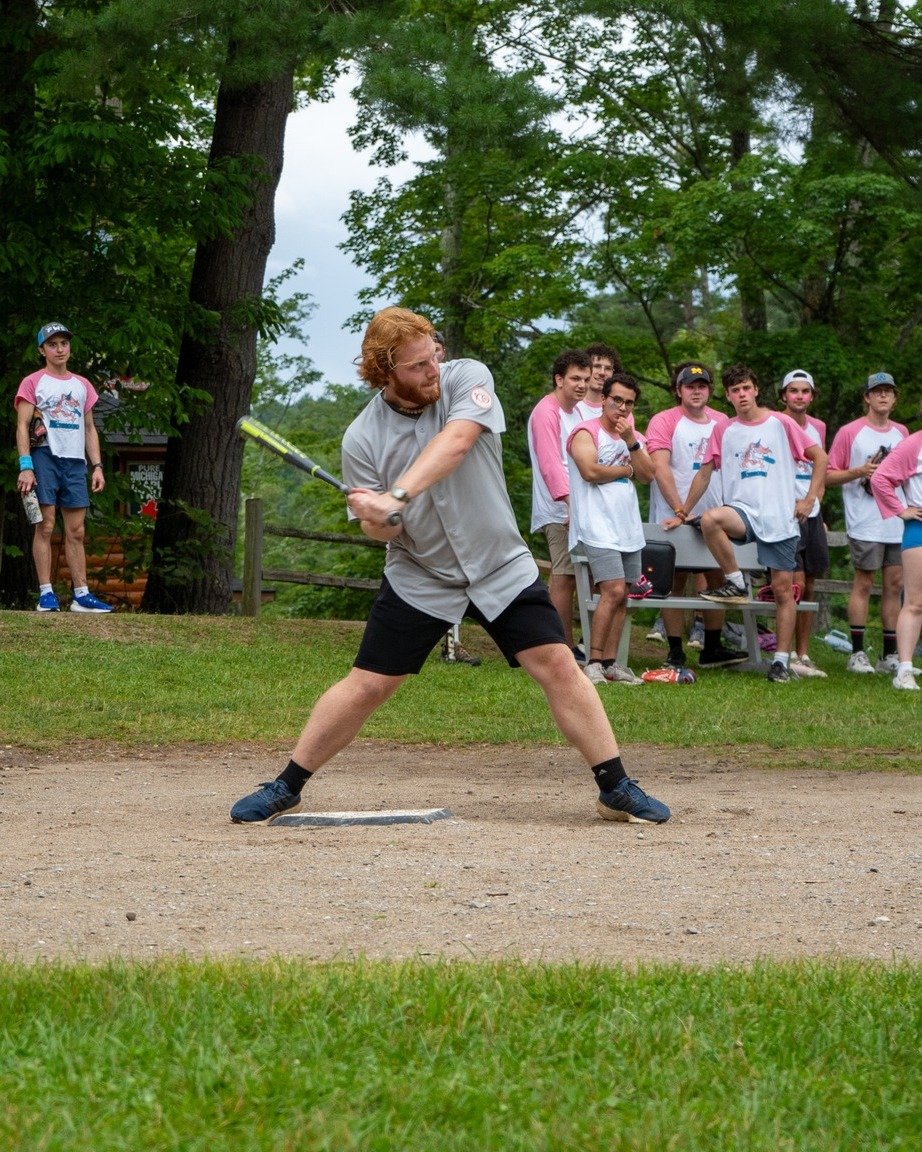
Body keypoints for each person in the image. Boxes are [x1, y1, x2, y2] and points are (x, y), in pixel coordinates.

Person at [231, 307, 669, 825]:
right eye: (417, 366)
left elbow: (457, 443)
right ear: (385, 371)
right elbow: (385, 531)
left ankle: (615, 786)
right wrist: (377, 517)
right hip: (422, 573)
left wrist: (395, 494)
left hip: (499, 563)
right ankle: (287, 785)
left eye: (432, 356)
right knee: (369, 683)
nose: (432, 371)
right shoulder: (362, 438)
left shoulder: (467, 378)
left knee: (557, 664)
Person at [672, 365, 826, 682]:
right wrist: (683, 510)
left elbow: (820, 458)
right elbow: (704, 472)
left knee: (783, 591)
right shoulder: (723, 429)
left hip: (779, 517)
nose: (741, 395)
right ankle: (736, 582)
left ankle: (780, 662)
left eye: (746, 388)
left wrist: (809, 498)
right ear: (728, 396)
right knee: (711, 518)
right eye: (735, 390)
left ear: (755, 390)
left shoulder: (781, 423)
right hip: (743, 511)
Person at [644, 362, 745, 671]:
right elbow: (660, 468)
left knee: (717, 577)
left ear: (710, 390)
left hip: (714, 516)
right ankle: (675, 649)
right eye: (690, 386)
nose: (696, 391)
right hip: (672, 515)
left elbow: (732, 466)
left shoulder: (723, 421)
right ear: (679, 390)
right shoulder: (664, 420)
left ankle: (712, 647)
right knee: (672, 581)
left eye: (702, 386)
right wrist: (680, 510)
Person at [14, 321, 113, 613]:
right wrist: (25, 466)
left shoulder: (82, 385)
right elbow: (22, 425)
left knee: (77, 530)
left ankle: (81, 595)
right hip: (44, 456)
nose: (60, 349)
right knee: (45, 525)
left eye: (64, 343)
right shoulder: (33, 382)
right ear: (42, 350)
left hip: (75, 461)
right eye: (53, 344)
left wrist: (97, 466)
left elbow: (90, 428)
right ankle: (46, 594)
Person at [566, 373, 655, 685]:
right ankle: (593, 662)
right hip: (596, 525)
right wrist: (627, 469)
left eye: (629, 403)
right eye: (617, 400)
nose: (622, 407)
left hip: (627, 527)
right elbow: (590, 471)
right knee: (612, 590)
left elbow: (648, 475)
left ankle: (611, 663)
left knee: (624, 595)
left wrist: (631, 441)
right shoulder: (586, 432)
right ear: (603, 399)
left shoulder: (632, 437)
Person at [826, 372, 908, 675]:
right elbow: (827, 475)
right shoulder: (850, 432)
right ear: (867, 397)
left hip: (896, 521)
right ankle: (857, 652)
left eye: (888, 391)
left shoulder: (902, 432)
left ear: (895, 398)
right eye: (877, 391)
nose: (883, 396)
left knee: (895, 586)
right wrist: (859, 471)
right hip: (865, 520)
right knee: (863, 583)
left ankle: (889, 655)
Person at [527, 350, 592, 658]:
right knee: (564, 575)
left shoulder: (577, 412)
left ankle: (577, 645)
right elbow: (550, 464)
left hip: (580, 508)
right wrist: (569, 504)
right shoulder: (547, 411)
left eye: (586, 379)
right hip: (559, 510)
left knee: (581, 575)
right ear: (559, 379)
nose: (582, 385)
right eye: (575, 378)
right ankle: (560, 647)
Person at [431, 328, 480, 666]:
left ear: (443, 352)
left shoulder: (457, 391)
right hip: (418, 500)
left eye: (436, 350)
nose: (431, 358)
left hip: (457, 496)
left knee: (458, 568)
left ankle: (452, 643)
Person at [777, 369, 829, 678]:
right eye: (793, 391)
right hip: (786, 510)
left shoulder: (818, 427)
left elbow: (820, 469)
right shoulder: (775, 423)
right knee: (792, 583)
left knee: (811, 581)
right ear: (784, 395)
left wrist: (814, 500)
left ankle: (804, 651)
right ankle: (787, 651)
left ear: (811, 396)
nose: (799, 396)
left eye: (805, 391)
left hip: (812, 511)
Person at [870, 427, 922, 689]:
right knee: (915, 603)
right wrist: (901, 510)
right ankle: (904, 670)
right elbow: (880, 479)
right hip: (919, 529)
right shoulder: (914, 444)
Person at [577, 341, 622, 418]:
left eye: (608, 368)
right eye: (597, 366)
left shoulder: (621, 410)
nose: (602, 373)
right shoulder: (570, 404)